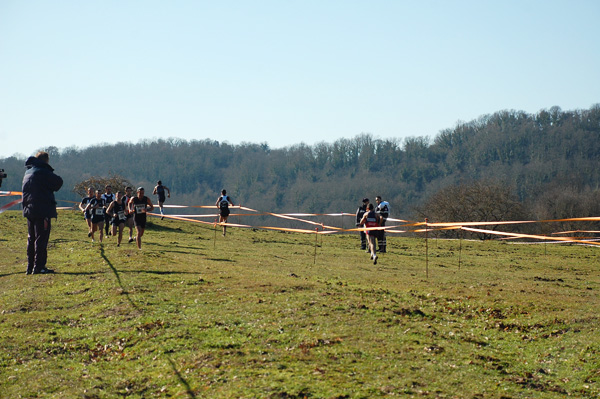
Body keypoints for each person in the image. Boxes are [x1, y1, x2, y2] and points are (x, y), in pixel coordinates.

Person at [21, 151, 63, 274]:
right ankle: (39, 266)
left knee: (31, 238)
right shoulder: (44, 172)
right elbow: (58, 182)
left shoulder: (28, 172)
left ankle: (30, 266)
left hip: (29, 209)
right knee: (41, 238)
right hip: (42, 209)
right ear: (46, 160)